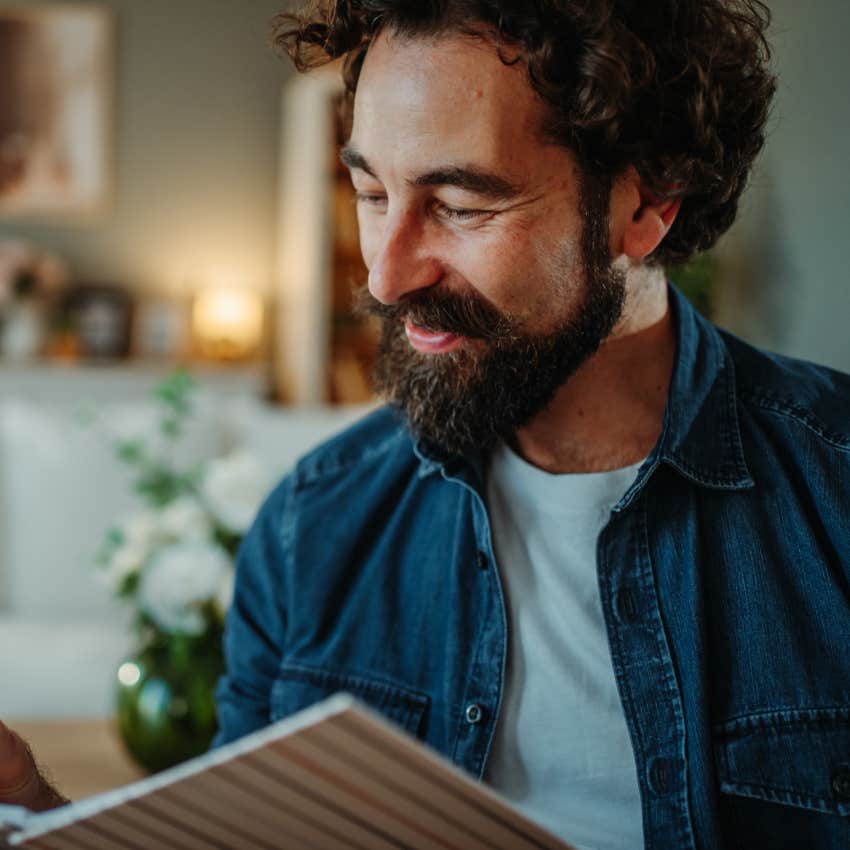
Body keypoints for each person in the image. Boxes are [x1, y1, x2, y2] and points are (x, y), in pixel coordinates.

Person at [3, 1, 849, 847]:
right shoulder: (308, 530)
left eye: (458, 205)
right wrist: (42, 817)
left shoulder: (834, 492)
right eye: (371, 192)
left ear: (648, 203)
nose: (384, 273)